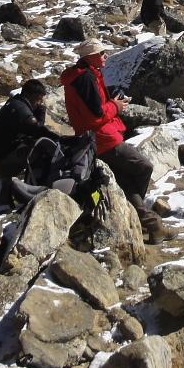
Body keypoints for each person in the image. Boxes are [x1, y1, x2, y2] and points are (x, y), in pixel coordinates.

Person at [61, 40, 165, 242]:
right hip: (102, 139)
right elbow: (95, 116)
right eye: (101, 53)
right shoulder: (85, 78)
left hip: (96, 139)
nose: (105, 57)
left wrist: (112, 102)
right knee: (143, 167)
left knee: (125, 180)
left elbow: (93, 109)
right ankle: (148, 222)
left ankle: (152, 226)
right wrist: (116, 106)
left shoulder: (82, 75)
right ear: (90, 57)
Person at [0, 79, 54, 181]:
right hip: (3, 163)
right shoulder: (20, 109)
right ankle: (37, 185)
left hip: (0, 157)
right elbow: (37, 131)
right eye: (38, 99)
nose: (39, 103)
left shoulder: (15, 103)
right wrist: (41, 115)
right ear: (30, 95)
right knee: (43, 147)